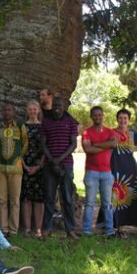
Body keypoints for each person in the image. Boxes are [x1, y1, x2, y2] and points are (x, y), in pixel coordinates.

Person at [40, 97, 79, 239]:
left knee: (67, 198)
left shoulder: (71, 122)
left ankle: (70, 230)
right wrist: (52, 161)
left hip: (66, 165)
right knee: (49, 198)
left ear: (64, 107)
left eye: (60, 105)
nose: (57, 107)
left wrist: (59, 160)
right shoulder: (46, 122)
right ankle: (48, 229)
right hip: (49, 166)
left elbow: (73, 144)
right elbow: (43, 144)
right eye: (55, 105)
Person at [110, 109, 137, 237]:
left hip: (130, 169)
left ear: (129, 120)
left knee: (129, 196)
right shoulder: (112, 133)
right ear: (117, 119)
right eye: (120, 118)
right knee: (115, 197)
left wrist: (134, 149)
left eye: (125, 118)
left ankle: (124, 227)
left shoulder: (132, 134)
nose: (122, 120)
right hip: (115, 167)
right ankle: (115, 227)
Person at [0, 103, 28, 236]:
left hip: (16, 168)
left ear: (14, 112)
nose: (7, 112)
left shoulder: (20, 127)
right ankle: (3, 228)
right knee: (1, 199)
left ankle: (13, 230)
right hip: (0, 168)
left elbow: (25, 144)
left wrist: (18, 157)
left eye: (9, 110)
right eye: (4, 110)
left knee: (15, 200)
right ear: (2, 112)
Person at [81, 106, 117, 237]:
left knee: (107, 203)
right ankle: (86, 230)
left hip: (107, 172)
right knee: (90, 203)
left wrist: (95, 144)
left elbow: (113, 144)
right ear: (91, 117)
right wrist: (104, 145)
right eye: (94, 115)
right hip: (92, 172)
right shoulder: (86, 132)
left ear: (103, 116)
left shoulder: (110, 131)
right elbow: (88, 149)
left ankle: (110, 231)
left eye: (99, 115)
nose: (97, 117)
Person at [21, 101, 45, 238]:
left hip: (40, 164)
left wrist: (39, 166)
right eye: (30, 109)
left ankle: (38, 229)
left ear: (39, 110)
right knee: (26, 198)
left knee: (39, 199)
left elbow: (45, 148)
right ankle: (27, 228)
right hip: (25, 163)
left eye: (35, 109)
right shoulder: (22, 126)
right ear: (27, 110)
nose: (32, 111)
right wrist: (24, 165)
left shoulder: (43, 127)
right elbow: (18, 147)